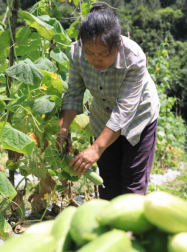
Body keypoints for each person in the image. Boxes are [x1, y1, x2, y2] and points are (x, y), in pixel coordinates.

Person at [56, 4, 160, 200]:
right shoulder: (76, 52)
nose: (95, 59)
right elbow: (74, 93)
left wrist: (96, 148)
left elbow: (125, 110)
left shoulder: (134, 58)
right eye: (90, 53)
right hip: (103, 117)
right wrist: (63, 129)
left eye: (103, 54)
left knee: (132, 180)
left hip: (139, 118)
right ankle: (110, 227)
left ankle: (131, 230)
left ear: (118, 45)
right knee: (107, 180)